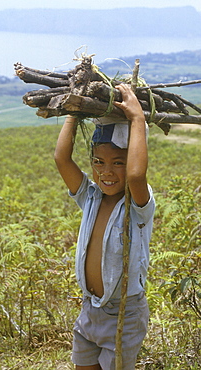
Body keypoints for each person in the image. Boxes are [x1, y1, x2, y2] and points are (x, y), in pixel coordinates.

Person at [54, 84, 155, 370]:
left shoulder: (137, 206)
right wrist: (74, 112)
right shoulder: (91, 197)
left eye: (117, 162)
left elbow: (136, 176)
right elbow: (61, 159)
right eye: (98, 162)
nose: (106, 171)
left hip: (124, 313)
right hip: (90, 308)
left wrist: (137, 119)